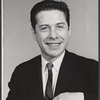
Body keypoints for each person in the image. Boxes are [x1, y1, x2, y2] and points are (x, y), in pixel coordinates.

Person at [6, 0, 98, 100]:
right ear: (34, 33)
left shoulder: (92, 69)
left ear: (69, 30)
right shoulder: (21, 72)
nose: (53, 36)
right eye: (44, 28)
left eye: (59, 27)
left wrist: (82, 98)